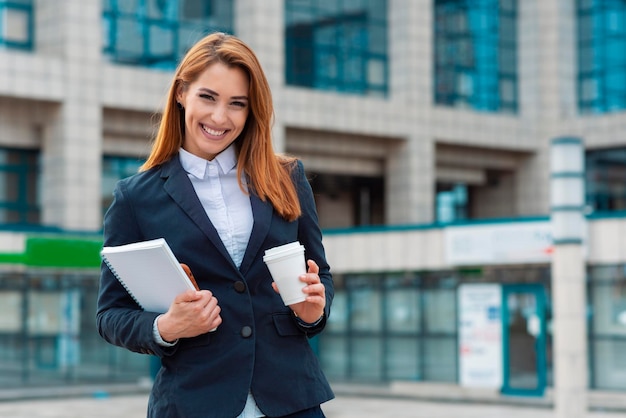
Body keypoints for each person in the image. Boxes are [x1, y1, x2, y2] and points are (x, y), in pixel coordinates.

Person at [96, 32, 334, 418]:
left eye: (237, 104)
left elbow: (319, 276)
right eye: (207, 97)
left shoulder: (287, 177)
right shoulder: (135, 197)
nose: (220, 118)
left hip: (292, 400)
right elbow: (109, 316)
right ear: (181, 93)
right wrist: (167, 326)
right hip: (194, 401)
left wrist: (313, 310)